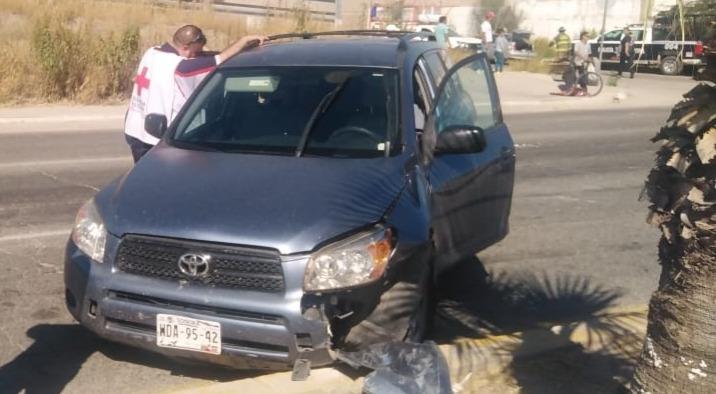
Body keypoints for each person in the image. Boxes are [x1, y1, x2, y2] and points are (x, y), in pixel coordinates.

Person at [123, 25, 267, 162]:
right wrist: (243, 41)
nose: (196, 55)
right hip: (152, 140)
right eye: (195, 51)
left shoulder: (153, 52)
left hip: (134, 127)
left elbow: (203, 57)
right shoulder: (180, 67)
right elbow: (219, 59)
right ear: (185, 47)